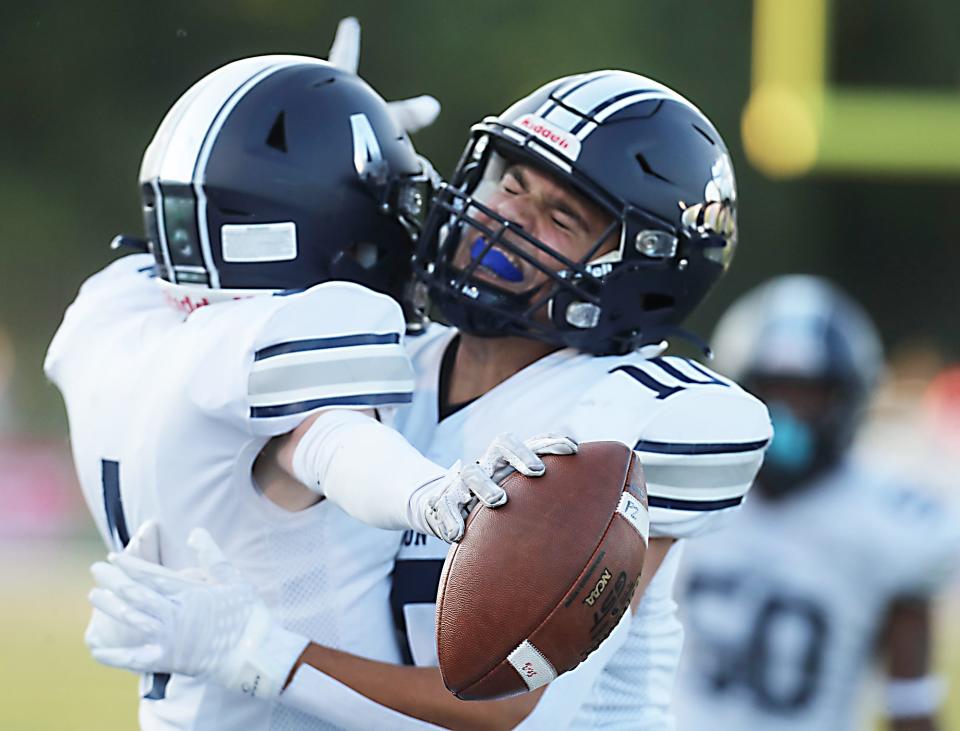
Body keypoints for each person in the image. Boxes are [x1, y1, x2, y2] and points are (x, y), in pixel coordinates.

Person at [88, 69, 773, 730]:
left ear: (642, 273)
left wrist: (260, 653)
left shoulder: (634, 417)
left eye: (558, 216)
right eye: (509, 182)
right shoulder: (384, 358)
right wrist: (310, 151)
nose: (502, 218)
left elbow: (505, 706)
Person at [46, 34, 579, 731]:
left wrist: (307, 144)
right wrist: (425, 493)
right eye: (385, 206)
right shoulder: (268, 352)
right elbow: (330, 445)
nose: (406, 226)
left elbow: (202, 219)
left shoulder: (115, 314)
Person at [673, 275, 960, 731]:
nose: (788, 414)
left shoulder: (893, 525)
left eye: (810, 393)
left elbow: (910, 704)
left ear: (849, 398)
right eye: (774, 389)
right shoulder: (686, 490)